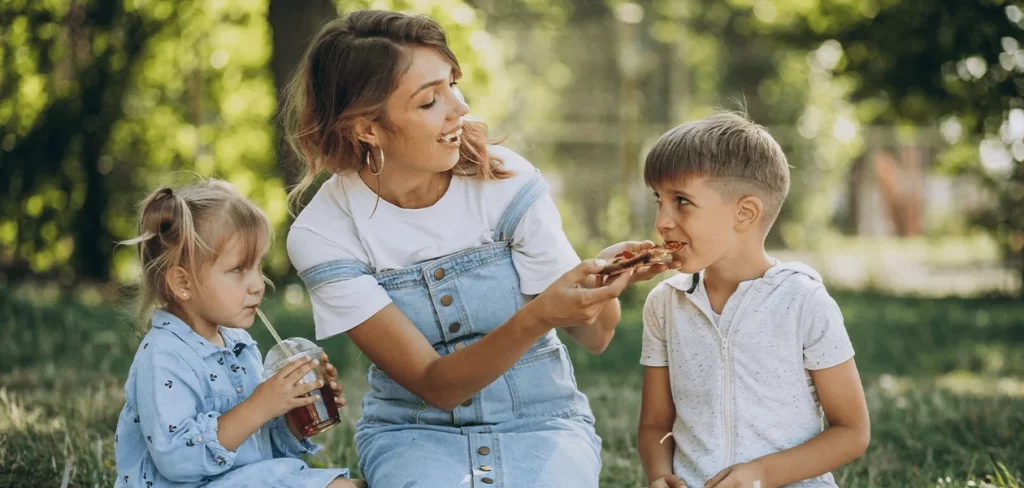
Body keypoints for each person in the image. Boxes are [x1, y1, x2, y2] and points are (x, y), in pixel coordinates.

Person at [282, 10, 675, 487]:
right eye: (430, 101)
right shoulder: (325, 233)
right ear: (367, 128)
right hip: (413, 434)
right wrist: (539, 315)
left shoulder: (505, 182)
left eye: (452, 84)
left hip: (542, 423)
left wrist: (597, 284)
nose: (460, 108)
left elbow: (596, 338)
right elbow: (435, 386)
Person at [635, 112, 871, 488]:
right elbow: (654, 425)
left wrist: (760, 475)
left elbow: (852, 431)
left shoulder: (804, 301)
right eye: (658, 199)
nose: (662, 221)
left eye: (681, 201)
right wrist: (661, 474)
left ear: (744, 214)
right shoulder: (664, 305)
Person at [113, 179, 364, 488]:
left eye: (258, 266)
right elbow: (177, 460)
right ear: (183, 283)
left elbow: (258, 443)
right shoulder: (164, 356)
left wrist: (295, 412)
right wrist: (260, 405)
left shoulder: (239, 344)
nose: (258, 284)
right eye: (238, 269)